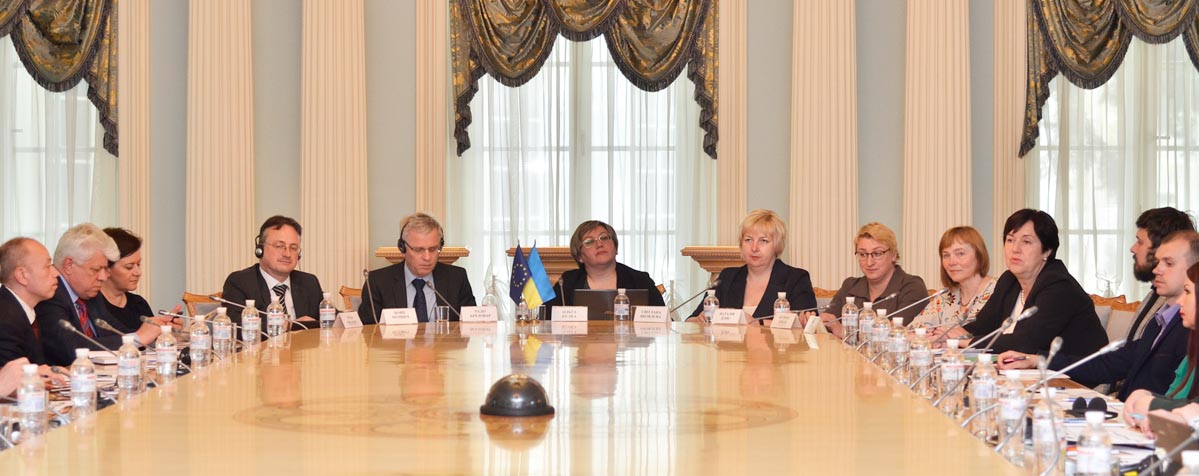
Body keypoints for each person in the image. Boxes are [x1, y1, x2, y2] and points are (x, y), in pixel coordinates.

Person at [999, 230, 1194, 401]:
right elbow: (1109, 364)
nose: (1156, 270)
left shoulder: (1189, 328)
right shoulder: (1159, 321)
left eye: (1169, 263)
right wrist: (1038, 360)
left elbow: (1176, 400)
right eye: (1158, 262)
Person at [943, 209, 1106, 355]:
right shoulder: (1009, 281)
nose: (1015, 249)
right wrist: (946, 336)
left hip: (1075, 375)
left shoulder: (1059, 286)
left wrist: (968, 341)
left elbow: (1026, 343)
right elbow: (981, 327)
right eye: (1010, 240)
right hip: (1029, 372)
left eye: (1026, 242)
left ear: (1047, 251)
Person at [35, 224, 167, 366]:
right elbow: (71, 348)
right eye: (96, 269)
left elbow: (114, 331)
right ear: (69, 265)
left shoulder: (88, 293)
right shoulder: (49, 295)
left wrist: (158, 332)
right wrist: (137, 338)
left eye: (104, 269)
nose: (103, 277)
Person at [689, 210, 816, 322]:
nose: (754, 248)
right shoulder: (728, 277)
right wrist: (699, 320)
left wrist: (758, 324)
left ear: (777, 245)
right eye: (748, 240)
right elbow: (690, 320)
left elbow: (807, 325)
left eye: (763, 241)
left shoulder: (796, 279)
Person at [1124, 260, 1199, 434]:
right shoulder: (1193, 348)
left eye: (1187, 291)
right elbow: (1175, 398)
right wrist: (1145, 395)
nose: (1180, 301)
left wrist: (1150, 403)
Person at [359, 212, 476, 324]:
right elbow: (367, 331)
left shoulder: (457, 278)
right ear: (402, 248)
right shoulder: (378, 282)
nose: (427, 257)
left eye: (433, 249)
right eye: (419, 250)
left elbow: (471, 326)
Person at [816, 222, 929, 335]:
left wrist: (845, 332)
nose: (869, 262)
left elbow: (894, 335)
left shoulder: (912, 287)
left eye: (877, 253)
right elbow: (828, 324)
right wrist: (817, 322)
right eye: (863, 254)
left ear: (893, 255)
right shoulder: (850, 286)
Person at [222, 216, 324, 330]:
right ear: (260, 249)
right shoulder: (240, 282)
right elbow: (236, 326)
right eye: (279, 246)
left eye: (293, 248)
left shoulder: (309, 282)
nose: (287, 254)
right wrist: (289, 325)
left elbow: (330, 317)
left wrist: (340, 318)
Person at [543, 220, 664, 309]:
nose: (599, 244)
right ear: (580, 256)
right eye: (589, 241)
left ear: (615, 247)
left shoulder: (640, 281)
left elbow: (664, 323)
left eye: (604, 237)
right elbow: (546, 322)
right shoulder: (567, 283)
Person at [0, 238, 67, 383]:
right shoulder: (5, 319)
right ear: (22, 275)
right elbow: (10, 383)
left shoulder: (19, 310)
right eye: (47, 266)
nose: (56, 273)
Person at [1127, 208, 1195, 341]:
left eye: (1140, 242)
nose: (1133, 249)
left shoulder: (1182, 309)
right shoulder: (1155, 294)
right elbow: (1134, 349)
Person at [910, 226, 996, 329]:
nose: (951, 262)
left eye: (960, 254)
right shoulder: (945, 297)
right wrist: (927, 334)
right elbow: (911, 330)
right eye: (946, 255)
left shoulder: (998, 290)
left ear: (979, 255)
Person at [97, 228, 155, 331]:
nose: (138, 272)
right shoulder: (93, 307)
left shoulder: (139, 304)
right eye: (129, 267)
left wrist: (170, 334)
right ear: (106, 267)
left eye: (138, 264)